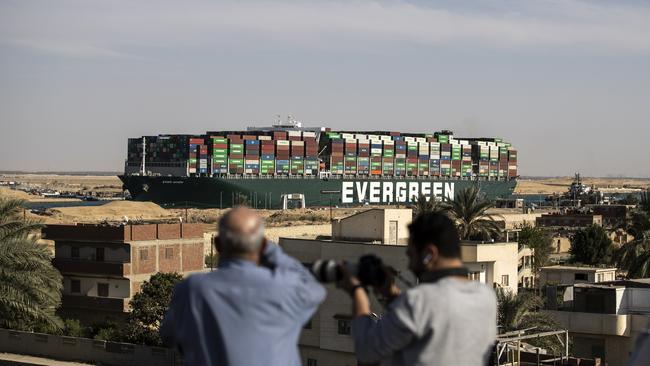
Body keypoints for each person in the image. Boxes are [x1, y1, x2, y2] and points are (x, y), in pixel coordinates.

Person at [160, 206, 326, 366]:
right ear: (262, 246)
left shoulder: (192, 291)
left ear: (217, 245)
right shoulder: (285, 288)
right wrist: (272, 251)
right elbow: (314, 288)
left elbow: (168, 336)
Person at [340, 212, 497, 365]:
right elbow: (428, 319)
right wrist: (391, 294)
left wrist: (356, 290)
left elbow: (366, 350)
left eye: (411, 256)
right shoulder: (485, 296)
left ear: (429, 254)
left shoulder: (418, 301)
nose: (409, 264)